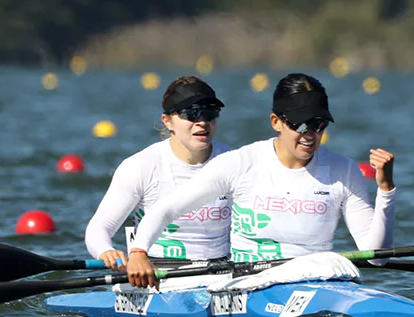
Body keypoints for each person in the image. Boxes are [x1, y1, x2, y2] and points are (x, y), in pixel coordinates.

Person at [126, 72, 395, 288]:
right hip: (250, 284)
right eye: (300, 125)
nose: (310, 134)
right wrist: (138, 252)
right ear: (276, 122)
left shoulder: (343, 171)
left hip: (317, 279)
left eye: (318, 124)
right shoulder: (241, 163)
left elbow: (377, 256)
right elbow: (166, 209)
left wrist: (385, 189)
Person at [84, 76, 232, 272]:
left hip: (222, 273)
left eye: (210, 112)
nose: (202, 122)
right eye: (191, 114)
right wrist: (106, 251)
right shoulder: (141, 166)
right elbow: (99, 228)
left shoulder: (234, 162)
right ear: (168, 121)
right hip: (157, 275)